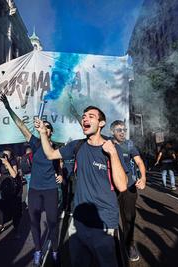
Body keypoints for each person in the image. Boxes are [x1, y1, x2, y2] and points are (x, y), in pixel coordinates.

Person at [34, 106, 128, 267]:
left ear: (101, 123)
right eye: (84, 116)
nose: (85, 118)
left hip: (104, 222)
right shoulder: (77, 146)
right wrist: (43, 132)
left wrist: (112, 153)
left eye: (91, 116)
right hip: (78, 222)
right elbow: (50, 154)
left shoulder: (112, 148)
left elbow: (122, 185)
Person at [1, 94, 62, 266]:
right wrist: (7, 107)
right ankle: (37, 250)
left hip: (50, 189)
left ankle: (55, 251)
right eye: (44, 126)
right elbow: (20, 125)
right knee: (34, 222)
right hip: (35, 189)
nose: (45, 128)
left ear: (51, 132)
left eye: (48, 127)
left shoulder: (55, 147)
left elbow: (60, 164)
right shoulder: (34, 143)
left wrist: (61, 174)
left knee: (52, 222)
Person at [110, 120, 146, 262]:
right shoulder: (107, 143)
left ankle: (129, 244)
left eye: (124, 129)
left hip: (129, 187)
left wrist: (143, 178)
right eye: (119, 130)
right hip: (110, 187)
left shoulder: (129, 144)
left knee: (129, 218)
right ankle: (109, 242)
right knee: (109, 216)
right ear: (112, 131)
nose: (122, 132)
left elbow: (139, 162)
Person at [0, 149, 22, 238]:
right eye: (3, 154)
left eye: (6, 155)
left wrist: (7, 163)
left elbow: (14, 175)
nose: (4, 156)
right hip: (3, 188)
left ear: (10, 156)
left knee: (15, 210)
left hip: (14, 189)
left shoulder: (13, 161)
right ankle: (0, 225)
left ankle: (16, 229)